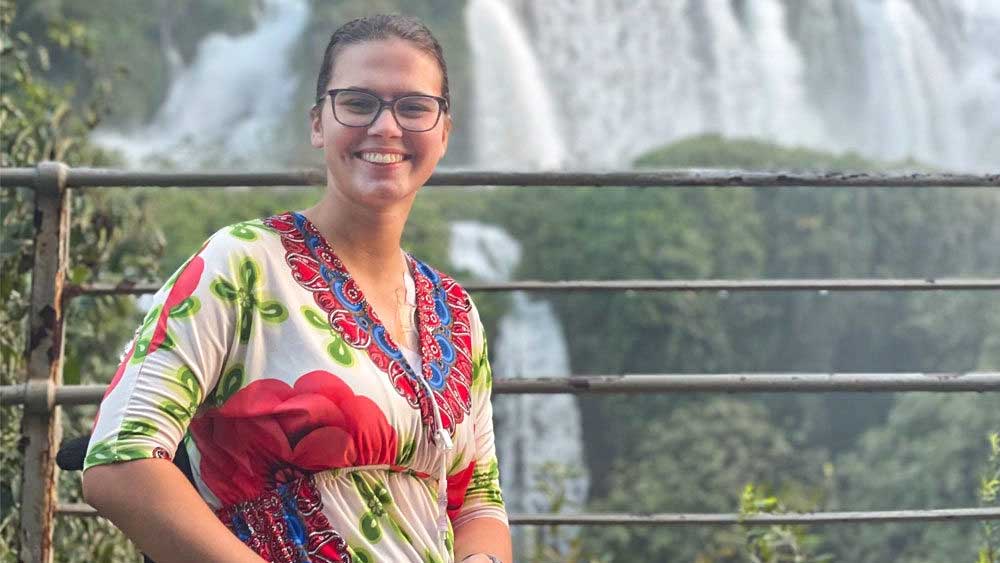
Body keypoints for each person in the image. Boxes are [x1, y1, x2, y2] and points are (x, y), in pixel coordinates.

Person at [82, 14, 512, 563]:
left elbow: (477, 501)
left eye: (413, 107)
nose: (386, 126)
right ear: (318, 124)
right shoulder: (242, 266)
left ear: (444, 132)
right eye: (358, 103)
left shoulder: (454, 309)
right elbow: (120, 461)